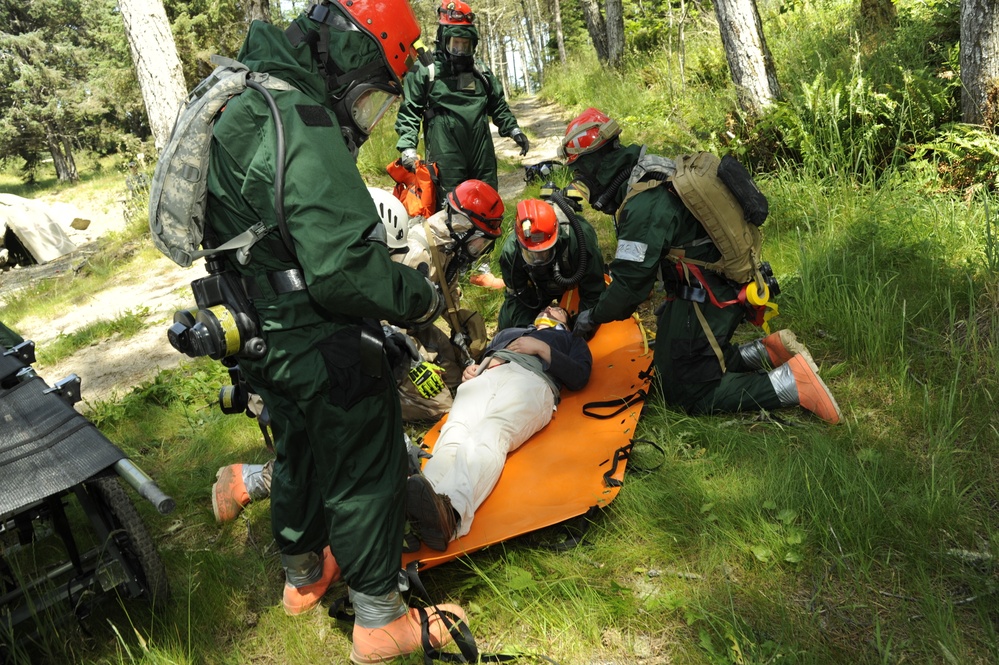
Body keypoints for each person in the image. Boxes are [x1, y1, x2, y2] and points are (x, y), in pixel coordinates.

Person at [200, 3, 466, 662]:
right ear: (349, 50)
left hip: (259, 327)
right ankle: (380, 618)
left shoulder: (245, 101)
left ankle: (301, 576)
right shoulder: (303, 119)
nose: (365, 107)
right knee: (363, 460)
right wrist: (418, 292)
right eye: (372, 86)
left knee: (297, 447)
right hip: (314, 334)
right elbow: (346, 273)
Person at [212, 182, 506, 524]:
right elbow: (379, 314)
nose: (480, 248)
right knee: (416, 415)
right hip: (362, 350)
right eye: (480, 238)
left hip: (376, 338)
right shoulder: (413, 255)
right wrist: (405, 364)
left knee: (451, 383)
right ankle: (252, 479)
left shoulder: (442, 253)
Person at [558, 108, 841, 424]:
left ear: (596, 164)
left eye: (581, 174)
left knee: (684, 391)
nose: (582, 183)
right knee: (667, 365)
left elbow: (630, 287)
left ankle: (792, 382)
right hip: (716, 286)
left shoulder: (643, 203)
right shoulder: (648, 173)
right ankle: (767, 352)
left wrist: (593, 317)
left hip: (709, 295)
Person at [405, 305, 592, 551]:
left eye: (557, 309)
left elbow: (579, 376)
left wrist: (541, 348)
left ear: (566, 323)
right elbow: (484, 359)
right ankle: (420, 507)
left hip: (532, 381)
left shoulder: (570, 339)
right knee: (455, 432)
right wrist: (473, 370)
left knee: (490, 433)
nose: (549, 307)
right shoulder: (510, 333)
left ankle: (451, 512)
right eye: (548, 305)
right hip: (488, 378)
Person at [394, 0, 529, 194]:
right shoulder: (427, 69)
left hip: (481, 155)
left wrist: (514, 130)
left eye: (465, 44)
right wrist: (408, 148)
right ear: (443, 39)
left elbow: (497, 104)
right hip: (446, 155)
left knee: (487, 201)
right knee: (450, 207)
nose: (460, 50)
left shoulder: (479, 71)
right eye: (455, 43)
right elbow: (410, 110)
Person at [497, 197, 606, 329]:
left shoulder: (580, 242)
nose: (538, 259)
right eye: (531, 254)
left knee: (594, 322)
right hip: (537, 289)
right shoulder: (511, 253)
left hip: (574, 281)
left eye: (544, 252)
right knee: (508, 325)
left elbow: (593, 292)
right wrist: (529, 330)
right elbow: (516, 298)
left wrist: (579, 331)